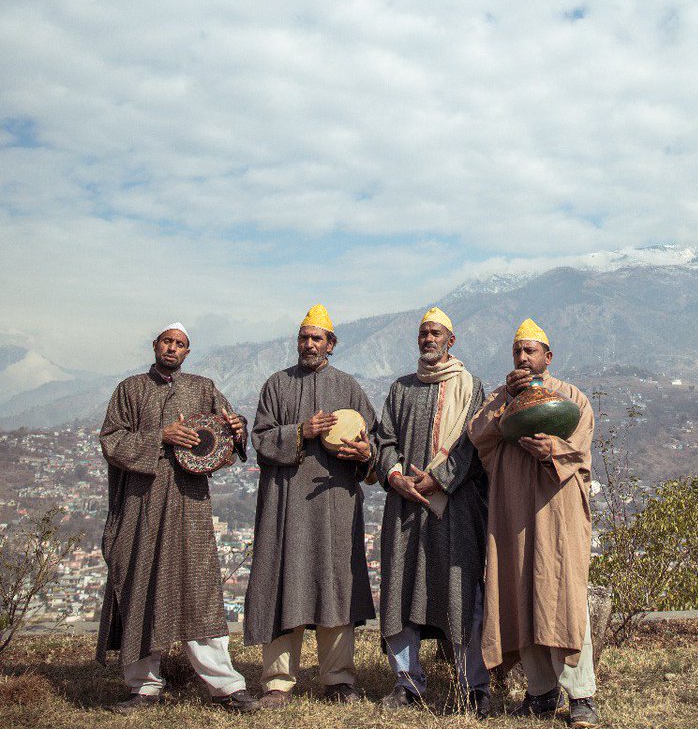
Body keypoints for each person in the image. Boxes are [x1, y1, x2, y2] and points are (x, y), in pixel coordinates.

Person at [96, 322, 258, 714]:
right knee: (140, 587)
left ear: (188, 352)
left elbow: (225, 432)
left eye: (180, 344)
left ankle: (226, 687)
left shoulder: (202, 387)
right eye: (167, 341)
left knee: (198, 591)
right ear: (155, 345)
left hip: (190, 506)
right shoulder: (130, 390)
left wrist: (238, 429)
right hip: (142, 505)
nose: (172, 348)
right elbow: (111, 442)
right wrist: (160, 437)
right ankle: (143, 687)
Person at [243, 304, 376, 707]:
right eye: (303, 337)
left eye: (316, 338)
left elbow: (376, 446)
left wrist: (364, 454)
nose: (309, 344)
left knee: (335, 584)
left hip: (336, 505)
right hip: (286, 506)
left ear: (331, 344)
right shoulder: (276, 385)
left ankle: (338, 679)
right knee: (284, 581)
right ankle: (277, 682)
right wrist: (300, 431)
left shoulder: (350, 388)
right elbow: (261, 439)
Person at [468, 319, 598, 728]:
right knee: (522, 594)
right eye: (517, 351)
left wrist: (552, 449)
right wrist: (507, 397)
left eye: (531, 351)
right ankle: (541, 692)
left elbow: (579, 450)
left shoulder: (572, 397)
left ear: (548, 356)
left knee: (564, 597)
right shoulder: (500, 399)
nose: (523, 358)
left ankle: (581, 696)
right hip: (513, 514)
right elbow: (478, 436)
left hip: (558, 515)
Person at [375, 307, 490, 716]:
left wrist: (439, 478)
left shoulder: (472, 387)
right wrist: (394, 475)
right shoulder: (400, 390)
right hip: (406, 509)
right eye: (423, 333)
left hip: (455, 512)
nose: (428, 339)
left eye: (435, 333)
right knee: (402, 594)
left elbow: (474, 444)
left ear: (450, 341)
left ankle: (473, 686)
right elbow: (383, 439)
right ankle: (407, 683)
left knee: (463, 594)